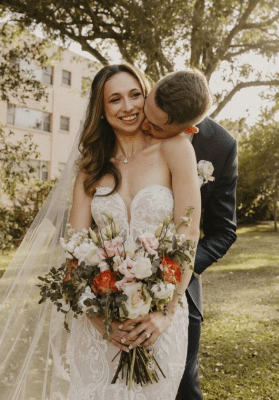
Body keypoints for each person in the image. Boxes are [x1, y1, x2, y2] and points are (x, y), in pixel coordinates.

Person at [0, 63, 209, 400]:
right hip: (99, 320)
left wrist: (165, 313)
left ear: (148, 96)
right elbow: (76, 242)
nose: (127, 107)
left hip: (157, 320)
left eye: (135, 95)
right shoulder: (91, 164)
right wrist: (95, 314)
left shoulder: (175, 148)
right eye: (115, 99)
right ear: (102, 109)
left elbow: (188, 234)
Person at [139, 70, 238, 399]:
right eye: (146, 112)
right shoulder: (133, 116)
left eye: (155, 127)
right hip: (117, 266)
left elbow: (224, 231)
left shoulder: (221, 147)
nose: (144, 126)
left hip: (178, 276)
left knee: (183, 383)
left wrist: (174, 270)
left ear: (189, 130)